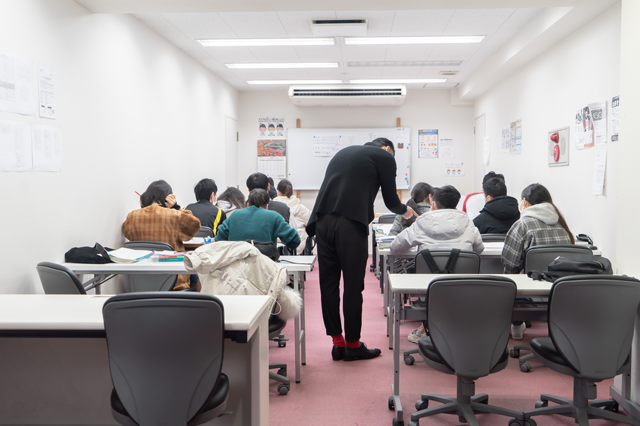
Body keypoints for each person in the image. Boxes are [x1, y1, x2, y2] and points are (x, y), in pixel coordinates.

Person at [306, 138, 417, 362]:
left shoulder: (345, 152)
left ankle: (337, 343)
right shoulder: (385, 157)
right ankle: (353, 345)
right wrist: (405, 211)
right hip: (349, 224)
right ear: (388, 149)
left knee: (328, 283)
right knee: (353, 286)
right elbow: (391, 201)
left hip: (322, 222)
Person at [390, 185, 484, 344]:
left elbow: (395, 248)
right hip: (462, 286)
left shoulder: (421, 223)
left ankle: (425, 329)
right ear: (456, 205)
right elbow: (479, 249)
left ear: (433, 204)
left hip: (427, 287)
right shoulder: (468, 223)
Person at [502, 183, 574, 339]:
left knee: (508, 280)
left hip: (528, 290)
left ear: (524, 202)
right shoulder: (562, 225)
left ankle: (516, 326)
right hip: (560, 290)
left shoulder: (522, 224)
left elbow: (510, 264)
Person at [122, 180, 201, 291]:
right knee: (195, 275)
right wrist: (176, 207)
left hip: (142, 278)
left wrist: (142, 207)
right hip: (175, 280)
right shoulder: (174, 215)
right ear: (167, 197)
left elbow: (130, 235)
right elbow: (195, 225)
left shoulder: (132, 216)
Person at [215, 189, 300, 251]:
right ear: (267, 206)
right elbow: (295, 240)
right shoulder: (274, 216)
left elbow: (219, 240)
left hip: (236, 266)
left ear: (248, 205)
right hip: (264, 265)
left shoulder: (234, 215)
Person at [274, 179, 312, 254]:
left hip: (278, 244)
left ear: (277, 192)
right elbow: (310, 221)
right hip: (298, 244)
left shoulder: (273, 206)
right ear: (292, 191)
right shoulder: (300, 207)